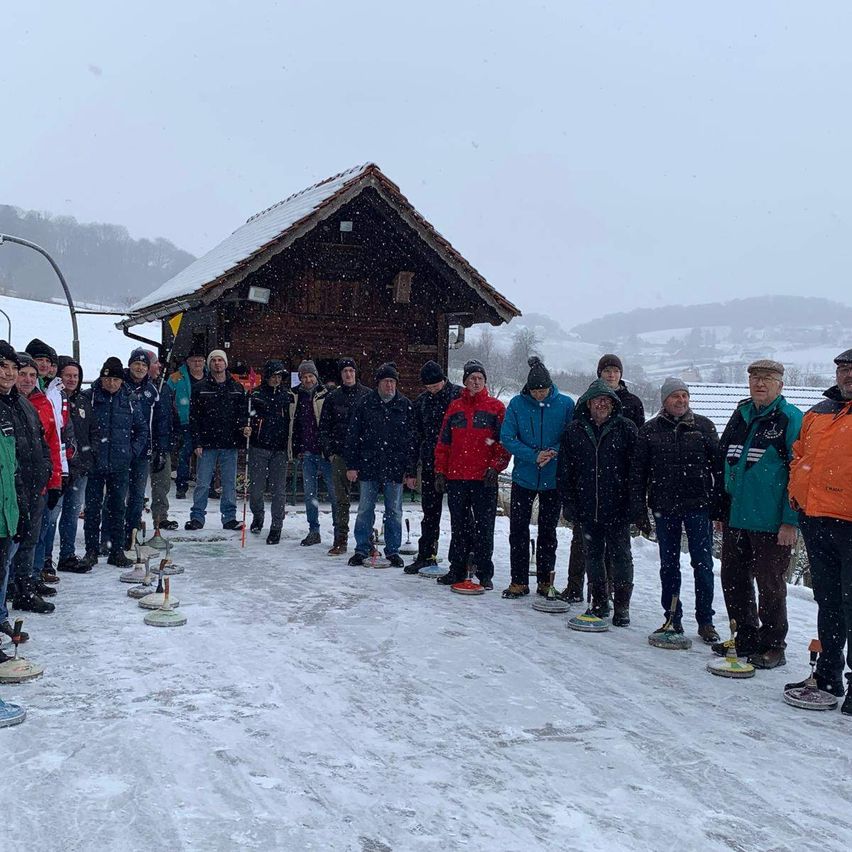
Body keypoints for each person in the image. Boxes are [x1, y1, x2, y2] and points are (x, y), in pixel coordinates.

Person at [713, 359, 802, 669]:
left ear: (780, 385)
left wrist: (790, 521)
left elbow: (799, 472)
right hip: (736, 517)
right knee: (733, 579)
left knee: (770, 584)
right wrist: (720, 509)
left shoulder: (790, 419)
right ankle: (746, 635)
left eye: (767, 378)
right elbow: (724, 460)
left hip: (771, 521)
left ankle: (774, 644)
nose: (759, 384)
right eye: (754, 378)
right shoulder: (741, 414)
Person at [631, 377, 721, 642]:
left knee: (702, 564)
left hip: (698, 507)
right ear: (664, 401)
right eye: (675, 396)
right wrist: (639, 509)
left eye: (684, 396)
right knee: (669, 565)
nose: (681, 401)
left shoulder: (704, 427)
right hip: (664, 507)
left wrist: (718, 506)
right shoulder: (649, 430)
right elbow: (638, 473)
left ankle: (706, 621)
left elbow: (719, 469)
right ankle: (672, 616)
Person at [787, 348, 852, 714]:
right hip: (816, 520)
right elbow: (799, 455)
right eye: (843, 369)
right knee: (827, 601)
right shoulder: (819, 412)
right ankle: (828, 674)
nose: (847, 375)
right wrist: (797, 494)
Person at [558, 379, 638, 624]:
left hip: (618, 507)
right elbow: (565, 471)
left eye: (606, 400)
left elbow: (636, 471)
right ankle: (599, 601)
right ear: (588, 403)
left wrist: (635, 504)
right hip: (586, 506)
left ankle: (622, 606)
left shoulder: (626, 429)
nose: (602, 404)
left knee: (621, 557)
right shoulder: (574, 430)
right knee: (592, 555)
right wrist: (569, 503)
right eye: (597, 400)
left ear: (613, 404)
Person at [500, 357, 574, 598]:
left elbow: (572, 436)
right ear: (528, 389)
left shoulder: (564, 404)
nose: (539, 395)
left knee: (548, 531)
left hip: (553, 479)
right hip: (524, 477)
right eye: (535, 391)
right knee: (518, 530)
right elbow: (508, 437)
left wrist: (553, 452)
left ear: (550, 387)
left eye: (543, 390)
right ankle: (518, 580)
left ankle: (545, 580)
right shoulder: (517, 404)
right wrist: (533, 455)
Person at [433, 359, 510, 590]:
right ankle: (456, 569)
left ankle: (484, 572)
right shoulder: (455, 407)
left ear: (484, 381)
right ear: (465, 382)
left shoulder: (496, 408)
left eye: (479, 378)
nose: (475, 382)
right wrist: (440, 471)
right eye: (471, 378)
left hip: (484, 478)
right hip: (457, 477)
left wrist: (496, 467)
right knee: (459, 527)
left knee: (484, 527)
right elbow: (443, 442)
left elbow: (502, 443)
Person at [344, 362, 418, 567]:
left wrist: (410, 471)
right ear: (378, 383)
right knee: (365, 509)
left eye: (393, 382)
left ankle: (392, 550)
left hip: (395, 467)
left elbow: (412, 441)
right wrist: (352, 465)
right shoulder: (365, 404)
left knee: (394, 511)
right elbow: (353, 436)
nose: (390, 386)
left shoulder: (405, 405)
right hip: (369, 465)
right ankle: (362, 548)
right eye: (386, 381)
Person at [82, 357, 149, 566]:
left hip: (120, 464)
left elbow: (142, 429)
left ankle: (116, 551)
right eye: (108, 378)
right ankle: (91, 551)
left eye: (116, 380)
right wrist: (87, 452)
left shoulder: (129, 399)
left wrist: (131, 452)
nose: (111, 383)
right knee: (92, 509)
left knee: (118, 508)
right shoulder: (89, 398)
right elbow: (80, 429)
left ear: (121, 381)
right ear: (102, 378)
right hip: (94, 464)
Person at [405, 360, 463, 574]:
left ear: (443, 380)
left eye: (435, 386)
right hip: (430, 464)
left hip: (457, 464)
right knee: (430, 514)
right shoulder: (421, 402)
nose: (432, 390)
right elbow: (414, 437)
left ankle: (462, 559)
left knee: (461, 515)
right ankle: (426, 555)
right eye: (428, 387)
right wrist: (411, 470)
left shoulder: (458, 396)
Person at [0, 342, 40, 636]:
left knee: (3, 568)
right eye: (3, 367)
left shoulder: (17, 403)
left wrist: (21, 507)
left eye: (14, 368)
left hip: (12, 500)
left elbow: (13, 467)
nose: (10, 374)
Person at [185, 349, 247, 531]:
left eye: (220, 360)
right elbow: (194, 417)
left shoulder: (237, 388)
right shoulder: (200, 388)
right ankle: (197, 516)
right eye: (214, 361)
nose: (217, 364)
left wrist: (244, 429)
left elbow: (242, 415)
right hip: (207, 443)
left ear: (226, 364)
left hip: (230, 443)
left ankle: (229, 517)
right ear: (209, 364)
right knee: (203, 482)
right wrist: (196, 442)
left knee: (228, 483)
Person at [318, 357, 370, 554]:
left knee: (366, 501)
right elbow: (324, 428)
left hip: (364, 455)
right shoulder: (333, 398)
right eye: (345, 371)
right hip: (339, 454)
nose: (348, 374)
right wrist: (330, 453)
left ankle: (366, 540)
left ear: (356, 373)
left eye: (351, 371)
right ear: (340, 375)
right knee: (340, 500)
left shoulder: (367, 396)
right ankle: (341, 539)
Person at [55, 356, 98, 572]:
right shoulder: (54, 399)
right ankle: (44, 561)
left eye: (76, 376)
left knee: (72, 514)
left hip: (80, 468)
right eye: (68, 375)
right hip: (59, 468)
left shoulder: (82, 401)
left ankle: (67, 556)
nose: (72, 379)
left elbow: (91, 431)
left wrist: (89, 457)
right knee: (51, 516)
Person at [289, 360, 336, 546]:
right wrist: (297, 447)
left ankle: (339, 530)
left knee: (334, 493)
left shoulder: (327, 395)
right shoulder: (295, 396)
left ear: (316, 376)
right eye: (304, 376)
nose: (308, 379)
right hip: (307, 452)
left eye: (310, 376)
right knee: (310, 495)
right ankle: (313, 530)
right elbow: (295, 425)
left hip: (326, 453)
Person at [122, 348, 165, 547]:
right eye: (136, 364)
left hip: (142, 451)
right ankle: (112, 534)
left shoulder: (151, 390)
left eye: (143, 365)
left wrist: (160, 449)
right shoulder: (120, 384)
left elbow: (159, 422)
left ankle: (132, 533)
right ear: (130, 365)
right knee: (117, 493)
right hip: (120, 450)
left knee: (138, 495)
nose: (139, 368)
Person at [247, 359, 290, 544]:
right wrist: (246, 427)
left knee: (278, 490)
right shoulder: (255, 395)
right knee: (256, 489)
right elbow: (245, 416)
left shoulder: (287, 396)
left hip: (279, 450)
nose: (276, 380)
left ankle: (276, 525)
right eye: (273, 376)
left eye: (279, 377)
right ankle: (258, 515)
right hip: (259, 447)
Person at [145, 350, 177, 531]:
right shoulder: (137, 388)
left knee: (162, 483)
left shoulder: (164, 388)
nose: (159, 366)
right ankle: (129, 518)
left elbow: (169, 417)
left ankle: (160, 517)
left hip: (161, 445)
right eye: (155, 363)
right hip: (140, 445)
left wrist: (172, 439)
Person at [168, 347, 207, 498]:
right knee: (185, 454)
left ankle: (207, 485)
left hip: (206, 422)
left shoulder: (210, 377)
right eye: (194, 361)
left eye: (200, 361)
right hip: (185, 421)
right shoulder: (176, 377)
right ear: (188, 362)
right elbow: (166, 395)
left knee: (207, 455)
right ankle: (181, 486)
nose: (197, 363)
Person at [597, 353, 645, 429]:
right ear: (600, 373)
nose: (611, 375)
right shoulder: (589, 399)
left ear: (620, 374)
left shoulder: (634, 402)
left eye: (616, 371)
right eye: (607, 371)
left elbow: (640, 434)